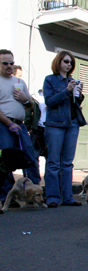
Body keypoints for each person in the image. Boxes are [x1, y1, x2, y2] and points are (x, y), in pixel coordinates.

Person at [43, 50, 86, 208]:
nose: (69, 65)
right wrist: (66, 91)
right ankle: (53, 197)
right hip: (55, 124)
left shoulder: (72, 80)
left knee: (67, 163)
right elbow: (50, 101)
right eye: (66, 61)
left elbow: (74, 104)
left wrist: (79, 94)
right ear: (59, 62)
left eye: (71, 63)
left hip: (72, 123)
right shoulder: (50, 80)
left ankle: (68, 197)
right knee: (54, 162)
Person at [0, 49, 40, 205]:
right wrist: (9, 124)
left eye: (12, 63)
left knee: (29, 157)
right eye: (5, 63)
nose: (9, 66)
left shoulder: (19, 82)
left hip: (20, 124)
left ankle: (34, 193)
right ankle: (7, 197)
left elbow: (30, 105)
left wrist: (25, 99)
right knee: (6, 161)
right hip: (4, 124)